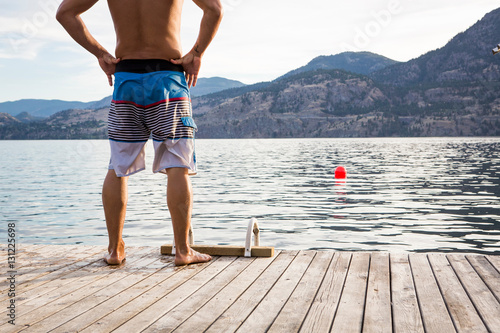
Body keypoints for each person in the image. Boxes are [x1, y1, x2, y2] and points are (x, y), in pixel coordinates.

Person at [56, 0, 223, 266]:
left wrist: (100, 53)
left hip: (126, 79)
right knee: (178, 164)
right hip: (167, 77)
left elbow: (65, 13)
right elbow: (214, 9)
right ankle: (183, 250)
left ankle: (114, 251)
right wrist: (197, 52)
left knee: (118, 165)